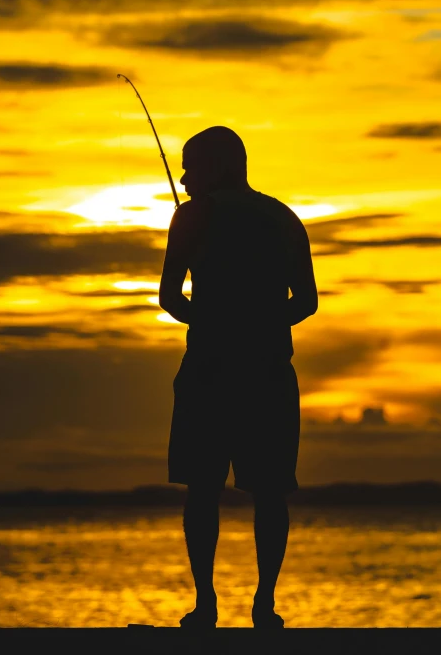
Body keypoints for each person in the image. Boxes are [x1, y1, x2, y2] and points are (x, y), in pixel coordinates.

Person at [159, 126, 317, 630]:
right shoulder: (284, 218)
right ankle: (264, 606)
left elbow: (168, 297)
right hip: (269, 372)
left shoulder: (191, 217)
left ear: (218, 166)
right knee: (269, 492)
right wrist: (263, 323)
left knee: (201, 490)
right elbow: (308, 301)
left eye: (191, 166)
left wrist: (208, 320)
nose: (184, 177)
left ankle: (205, 605)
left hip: (208, 372)